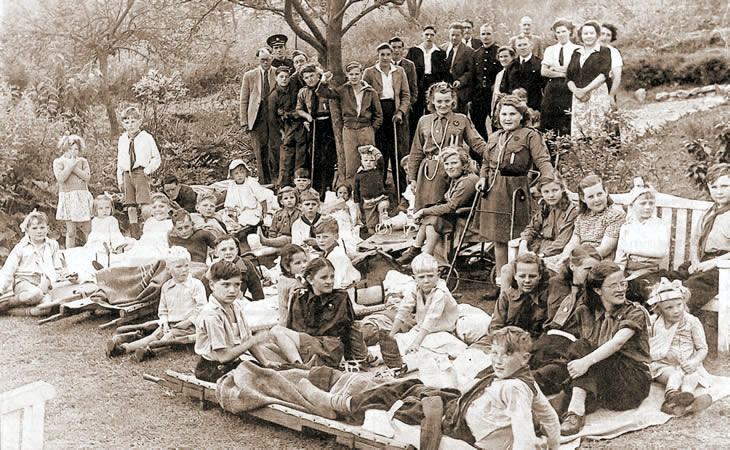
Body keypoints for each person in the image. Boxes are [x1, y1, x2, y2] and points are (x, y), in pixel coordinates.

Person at [297, 326, 561, 449]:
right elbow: (549, 416)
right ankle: (342, 400)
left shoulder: (515, 388)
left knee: (402, 396)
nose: (497, 360)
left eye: (507, 354)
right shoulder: (526, 381)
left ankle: (338, 404)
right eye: (494, 353)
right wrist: (554, 445)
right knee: (411, 386)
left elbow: (524, 434)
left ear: (525, 358)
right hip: (458, 406)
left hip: (457, 422)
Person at [558, 262, 651, 436]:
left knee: (583, 350)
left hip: (630, 383)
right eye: (613, 285)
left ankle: (575, 411)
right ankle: (569, 409)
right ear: (598, 290)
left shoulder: (634, 312)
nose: (621, 289)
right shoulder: (584, 311)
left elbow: (616, 343)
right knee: (579, 347)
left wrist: (585, 362)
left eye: (623, 284)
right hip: (602, 381)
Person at [475, 95, 555, 291]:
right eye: (504, 114)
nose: (507, 118)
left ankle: (520, 283)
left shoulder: (530, 135)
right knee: (498, 239)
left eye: (512, 114)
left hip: (516, 191)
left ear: (522, 116)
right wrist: (482, 177)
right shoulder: (494, 136)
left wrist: (547, 185)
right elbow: (486, 162)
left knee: (517, 238)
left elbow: (543, 162)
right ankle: (502, 287)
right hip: (493, 192)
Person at [107, 247, 207, 361]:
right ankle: (125, 348)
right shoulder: (167, 287)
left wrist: (188, 322)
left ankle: (149, 351)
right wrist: (164, 322)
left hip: (190, 326)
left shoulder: (196, 285)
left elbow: (202, 308)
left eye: (186, 266)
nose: (184, 270)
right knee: (154, 336)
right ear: (169, 270)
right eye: (179, 267)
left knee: (168, 337)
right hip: (170, 323)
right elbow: (163, 310)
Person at [409, 82, 488, 215]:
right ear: (432, 101)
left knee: (446, 210)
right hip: (428, 172)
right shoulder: (424, 121)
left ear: (453, 100)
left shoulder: (461, 119)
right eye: (439, 101)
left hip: (452, 169)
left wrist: (495, 152)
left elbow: (477, 143)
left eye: (447, 101)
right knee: (426, 210)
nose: (443, 105)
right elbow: (416, 151)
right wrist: (412, 178)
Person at [531, 245, 601, 395]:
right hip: (547, 338)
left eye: (596, 271)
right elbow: (542, 311)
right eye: (588, 269)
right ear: (572, 266)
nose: (592, 275)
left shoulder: (597, 293)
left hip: (570, 344)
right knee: (516, 361)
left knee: (546, 374)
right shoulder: (555, 283)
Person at [194, 260, 276, 382]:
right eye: (226, 285)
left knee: (270, 374)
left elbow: (247, 338)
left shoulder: (236, 306)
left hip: (232, 363)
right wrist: (255, 340)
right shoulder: (211, 314)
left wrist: (265, 362)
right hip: (213, 368)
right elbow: (224, 356)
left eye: (237, 285)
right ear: (212, 285)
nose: (232, 290)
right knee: (258, 382)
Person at [268, 258, 356, 367]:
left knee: (276, 331)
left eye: (332, 277)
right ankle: (299, 363)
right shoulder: (299, 297)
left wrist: (350, 358)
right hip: (305, 344)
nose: (329, 281)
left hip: (329, 348)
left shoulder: (340, 297)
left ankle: (299, 366)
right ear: (310, 279)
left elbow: (350, 330)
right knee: (267, 343)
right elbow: (293, 327)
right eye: (324, 277)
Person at [398, 147, 478, 265]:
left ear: (464, 164)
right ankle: (416, 250)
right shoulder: (457, 179)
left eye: (454, 163)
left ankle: (426, 258)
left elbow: (451, 207)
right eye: (446, 164)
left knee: (433, 219)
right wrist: (427, 210)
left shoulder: (468, 181)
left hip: (467, 220)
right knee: (431, 214)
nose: (449, 167)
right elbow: (446, 201)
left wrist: (424, 211)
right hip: (456, 216)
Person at [647, 278, 713, 416]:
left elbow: (702, 348)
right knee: (674, 374)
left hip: (688, 364)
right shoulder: (654, 323)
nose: (676, 310)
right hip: (662, 365)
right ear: (658, 309)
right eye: (669, 307)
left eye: (679, 305)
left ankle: (685, 398)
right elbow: (649, 344)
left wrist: (694, 362)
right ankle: (671, 395)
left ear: (684, 303)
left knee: (691, 376)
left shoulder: (692, 322)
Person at [676, 163, 730, 313]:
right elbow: (695, 240)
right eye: (714, 187)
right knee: (674, 276)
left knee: (695, 285)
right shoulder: (710, 212)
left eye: (725, 186)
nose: (719, 192)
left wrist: (714, 262)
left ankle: (677, 318)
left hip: (724, 267)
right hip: (704, 261)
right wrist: (695, 261)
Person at [317, 62, 383, 182]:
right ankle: (353, 192)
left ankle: (369, 192)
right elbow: (323, 93)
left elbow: (378, 114)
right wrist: (323, 80)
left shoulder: (370, 91)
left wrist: (372, 129)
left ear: (361, 74)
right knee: (351, 163)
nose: (354, 77)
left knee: (369, 161)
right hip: (349, 130)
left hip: (366, 128)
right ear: (347, 75)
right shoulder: (343, 90)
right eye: (351, 74)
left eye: (357, 74)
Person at [362, 43, 411, 195]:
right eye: (382, 54)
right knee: (380, 152)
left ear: (392, 56)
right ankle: (380, 190)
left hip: (394, 113)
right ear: (378, 55)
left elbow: (405, 95)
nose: (385, 58)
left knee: (397, 151)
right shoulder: (370, 72)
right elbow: (364, 94)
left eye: (388, 54)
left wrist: (401, 112)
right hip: (378, 114)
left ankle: (402, 191)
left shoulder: (399, 71)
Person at [391, 253, 459, 354]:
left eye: (430, 276)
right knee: (399, 341)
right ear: (415, 278)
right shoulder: (415, 287)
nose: (426, 280)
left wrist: (416, 343)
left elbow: (432, 318)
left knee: (421, 350)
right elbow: (404, 309)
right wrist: (392, 333)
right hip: (421, 329)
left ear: (438, 275)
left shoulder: (441, 292)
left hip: (441, 331)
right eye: (421, 277)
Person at [615, 182, 671, 304]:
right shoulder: (628, 226)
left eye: (651, 203)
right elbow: (621, 256)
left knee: (642, 288)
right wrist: (618, 275)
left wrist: (631, 249)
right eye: (643, 203)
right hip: (629, 272)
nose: (647, 207)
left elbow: (661, 252)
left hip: (650, 271)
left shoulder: (659, 226)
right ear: (632, 205)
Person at [553, 174, 625, 265]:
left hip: (599, 260)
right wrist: (564, 258)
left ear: (606, 192)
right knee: (544, 265)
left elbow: (605, 249)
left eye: (599, 194)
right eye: (591, 197)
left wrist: (574, 260)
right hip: (578, 257)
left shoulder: (615, 215)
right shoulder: (582, 217)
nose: (596, 200)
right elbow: (573, 242)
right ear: (583, 198)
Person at [0, 211, 64, 312]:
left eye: (42, 228)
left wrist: (48, 281)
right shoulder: (21, 247)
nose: (39, 231)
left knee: (47, 307)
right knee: (36, 294)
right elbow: (8, 269)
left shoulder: (52, 245)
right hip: (24, 282)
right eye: (34, 228)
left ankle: (10, 311)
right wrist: (1, 289)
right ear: (27, 230)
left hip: (43, 282)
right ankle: (9, 302)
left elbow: (58, 269)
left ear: (47, 228)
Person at [116, 106, 161, 239]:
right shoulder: (122, 139)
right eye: (127, 122)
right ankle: (135, 235)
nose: (130, 125)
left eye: (133, 121)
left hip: (140, 172)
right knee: (130, 207)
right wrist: (120, 179)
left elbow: (157, 158)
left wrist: (147, 170)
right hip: (126, 174)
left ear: (139, 121)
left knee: (145, 206)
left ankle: (149, 232)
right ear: (123, 124)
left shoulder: (146, 137)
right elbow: (120, 160)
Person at [296, 63, 337, 198]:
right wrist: (306, 116)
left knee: (328, 157)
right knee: (315, 156)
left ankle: (328, 187)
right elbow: (299, 109)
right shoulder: (303, 92)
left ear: (318, 75)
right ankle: (316, 189)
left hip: (328, 124)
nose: (310, 79)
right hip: (314, 124)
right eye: (306, 77)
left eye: (312, 76)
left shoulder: (325, 88)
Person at [488, 252, 550, 338]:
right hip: (507, 342)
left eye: (532, 276)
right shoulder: (507, 296)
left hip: (535, 345)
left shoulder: (548, 297)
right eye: (522, 276)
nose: (527, 280)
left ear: (540, 276)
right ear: (515, 276)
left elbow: (548, 330)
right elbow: (496, 327)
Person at [567, 21, 612, 139]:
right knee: (581, 131)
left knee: (598, 129)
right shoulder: (576, 53)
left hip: (597, 95)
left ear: (597, 35)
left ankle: (601, 156)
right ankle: (583, 157)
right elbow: (569, 77)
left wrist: (585, 90)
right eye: (585, 33)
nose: (588, 36)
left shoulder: (604, 51)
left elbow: (604, 74)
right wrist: (576, 91)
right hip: (578, 97)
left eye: (591, 33)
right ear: (581, 36)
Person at [517, 174, 579, 258]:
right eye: (546, 192)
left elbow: (562, 241)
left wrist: (541, 255)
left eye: (555, 190)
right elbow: (532, 227)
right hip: (539, 249)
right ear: (541, 193)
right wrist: (524, 242)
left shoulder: (571, 210)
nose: (551, 195)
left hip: (557, 254)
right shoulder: (546, 207)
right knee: (508, 268)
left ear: (562, 189)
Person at [240, 48, 276, 184]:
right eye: (262, 60)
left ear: (271, 58)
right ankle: (263, 182)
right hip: (257, 118)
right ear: (258, 60)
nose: (265, 62)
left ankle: (275, 181)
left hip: (273, 118)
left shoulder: (278, 72)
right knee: (259, 151)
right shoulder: (250, 75)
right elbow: (244, 99)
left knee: (273, 150)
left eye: (267, 59)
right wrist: (244, 122)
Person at [219, 159, 272, 251]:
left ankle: (244, 233)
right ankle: (233, 233)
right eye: (236, 173)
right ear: (232, 175)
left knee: (246, 219)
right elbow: (230, 202)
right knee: (225, 217)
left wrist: (265, 212)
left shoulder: (251, 182)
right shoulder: (232, 185)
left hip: (252, 209)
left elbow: (262, 198)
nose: (239, 175)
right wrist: (232, 214)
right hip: (239, 210)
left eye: (242, 172)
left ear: (246, 173)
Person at [269, 65, 307, 187]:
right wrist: (281, 131)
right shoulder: (274, 95)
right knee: (286, 160)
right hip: (285, 128)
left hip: (299, 126)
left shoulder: (295, 90)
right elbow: (271, 118)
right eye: (281, 77)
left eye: (286, 77)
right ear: (276, 78)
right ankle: (284, 187)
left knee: (301, 157)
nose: (284, 79)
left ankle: (300, 186)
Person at [541, 19, 579, 136]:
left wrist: (555, 68)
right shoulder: (550, 50)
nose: (561, 35)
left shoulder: (577, 49)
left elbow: (575, 71)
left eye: (564, 31)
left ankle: (565, 151)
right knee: (548, 119)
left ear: (570, 32)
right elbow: (544, 71)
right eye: (558, 32)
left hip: (569, 88)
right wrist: (562, 73)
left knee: (566, 119)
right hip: (552, 88)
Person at [54, 133, 93, 248]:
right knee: (71, 231)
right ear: (64, 149)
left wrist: (74, 167)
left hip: (81, 196)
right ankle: (69, 254)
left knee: (88, 229)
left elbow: (87, 177)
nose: (73, 152)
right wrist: (70, 166)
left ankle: (92, 252)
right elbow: (61, 178)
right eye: (70, 149)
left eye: (76, 149)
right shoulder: (58, 162)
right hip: (68, 197)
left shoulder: (82, 161)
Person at [406, 25, 448, 119]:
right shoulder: (414, 51)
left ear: (435, 36)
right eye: (427, 34)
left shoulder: (440, 53)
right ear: (422, 35)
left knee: (432, 110)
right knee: (416, 112)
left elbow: (444, 72)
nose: (429, 37)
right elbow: (408, 69)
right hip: (418, 83)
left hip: (433, 84)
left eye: (431, 35)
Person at [211, 235, 264, 301]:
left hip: (239, 302)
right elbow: (205, 294)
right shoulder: (212, 267)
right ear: (216, 253)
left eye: (231, 249)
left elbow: (257, 291)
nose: (228, 253)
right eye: (223, 250)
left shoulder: (246, 265)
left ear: (237, 250)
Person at [313, 217, 361, 290]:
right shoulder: (329, 251)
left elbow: (336, 284)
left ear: (336, 237)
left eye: (325, 237)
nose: (321, 241)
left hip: (346, 291)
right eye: (318, 237)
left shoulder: (336, 255)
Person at [471, 24, 501, 138]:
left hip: (494, 95)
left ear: (493, 35)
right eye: (483, 34)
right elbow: (473, 76)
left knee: (497, 124)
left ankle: (496, 150)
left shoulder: (499, 52)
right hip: (479, 95)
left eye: (488, 34)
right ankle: (481, 153)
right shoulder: (476, 54)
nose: (486, 37)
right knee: (478, 125)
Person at [500, 36, 545, 111]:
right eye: (519, 45)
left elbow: (544, 88)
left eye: (525, 44)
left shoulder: (539, 64)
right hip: (514, 108)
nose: (522, 47)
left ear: (531, 46)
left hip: (534, 108)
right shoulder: (511, 65)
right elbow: (504, 88)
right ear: (516, 48)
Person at [353, 145, 389, 236]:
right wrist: (357, 208)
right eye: (366, 160)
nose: (369, 163)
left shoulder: (378, 170)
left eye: (371, 160)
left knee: (383, 207)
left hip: (380, 198)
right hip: (369, 203)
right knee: (371, 227)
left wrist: (372, 149)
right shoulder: (359, 175)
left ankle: (383, 227)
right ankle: (374, 236)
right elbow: (356, 193)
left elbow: (380, 158)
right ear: (361, 162)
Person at [442, 22, 474, 114]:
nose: (454, 38)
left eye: (457, 35)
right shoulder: (442, 48)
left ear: (462, 35)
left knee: (459, 117)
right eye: (452, 35)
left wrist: (460, 81)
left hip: (460, 91)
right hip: (444, 89)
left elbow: (470, 71)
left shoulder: (468, 51)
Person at [277, 244, 307, 326]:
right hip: (292, 325)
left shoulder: (283, 278)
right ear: (287, 266)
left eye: (305, 261)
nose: (304, 265)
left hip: (283, 321)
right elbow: (296, 311)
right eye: (298, 263)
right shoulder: (295, 285)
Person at [599, 23, 623, 107]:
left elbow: (617, 77)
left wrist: (611, 95)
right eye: (602, 34)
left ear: (611, 38)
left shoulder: (614, 52)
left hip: (606, 86)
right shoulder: (588, 49)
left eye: (608, 35)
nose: (604, 38)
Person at [491, 46, 516, 117]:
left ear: (512, 57)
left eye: (506, 56)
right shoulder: (499, 74)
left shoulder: (515, 72)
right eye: (501, 57)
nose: (503, 59)